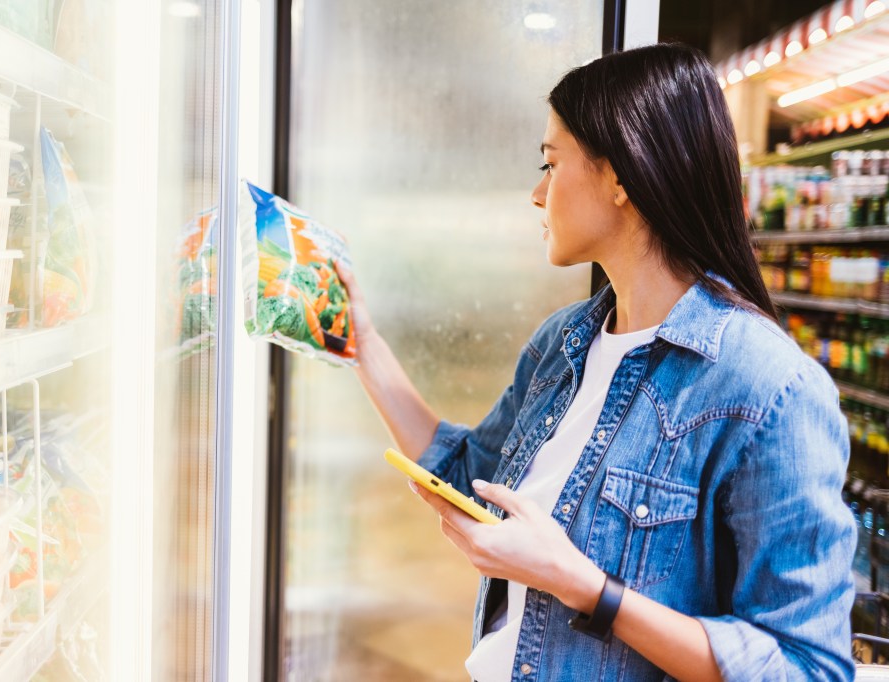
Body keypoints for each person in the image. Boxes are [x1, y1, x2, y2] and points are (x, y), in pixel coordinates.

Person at [338, 43, 857, 681]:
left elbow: (807, 667)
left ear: (619, 178)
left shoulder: (768, 389)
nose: (536, 193)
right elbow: (469, 478)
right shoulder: (564, 343)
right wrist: (360, 344)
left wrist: (585, 586)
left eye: (550, 164)